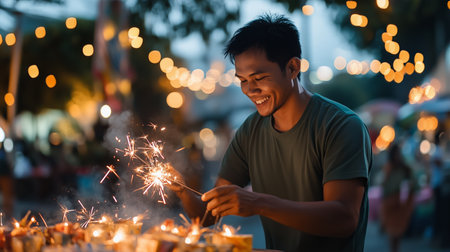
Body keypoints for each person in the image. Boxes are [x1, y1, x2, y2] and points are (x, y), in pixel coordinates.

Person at [171, 14, 372, 251]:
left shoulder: (341, 126)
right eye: (243, 80)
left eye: (259, 78)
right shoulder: (249, 132)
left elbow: (345, 219)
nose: (250, 90)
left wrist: (259, 203)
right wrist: (182, 190)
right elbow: (208, 217)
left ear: (292, 67)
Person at [379, 143, 417, 252]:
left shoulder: (405, 168)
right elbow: (384, 186)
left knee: (398, 232)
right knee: (392, 233)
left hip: (400, 205)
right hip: (390, 204)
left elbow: (414, 183)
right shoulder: (388, 168)